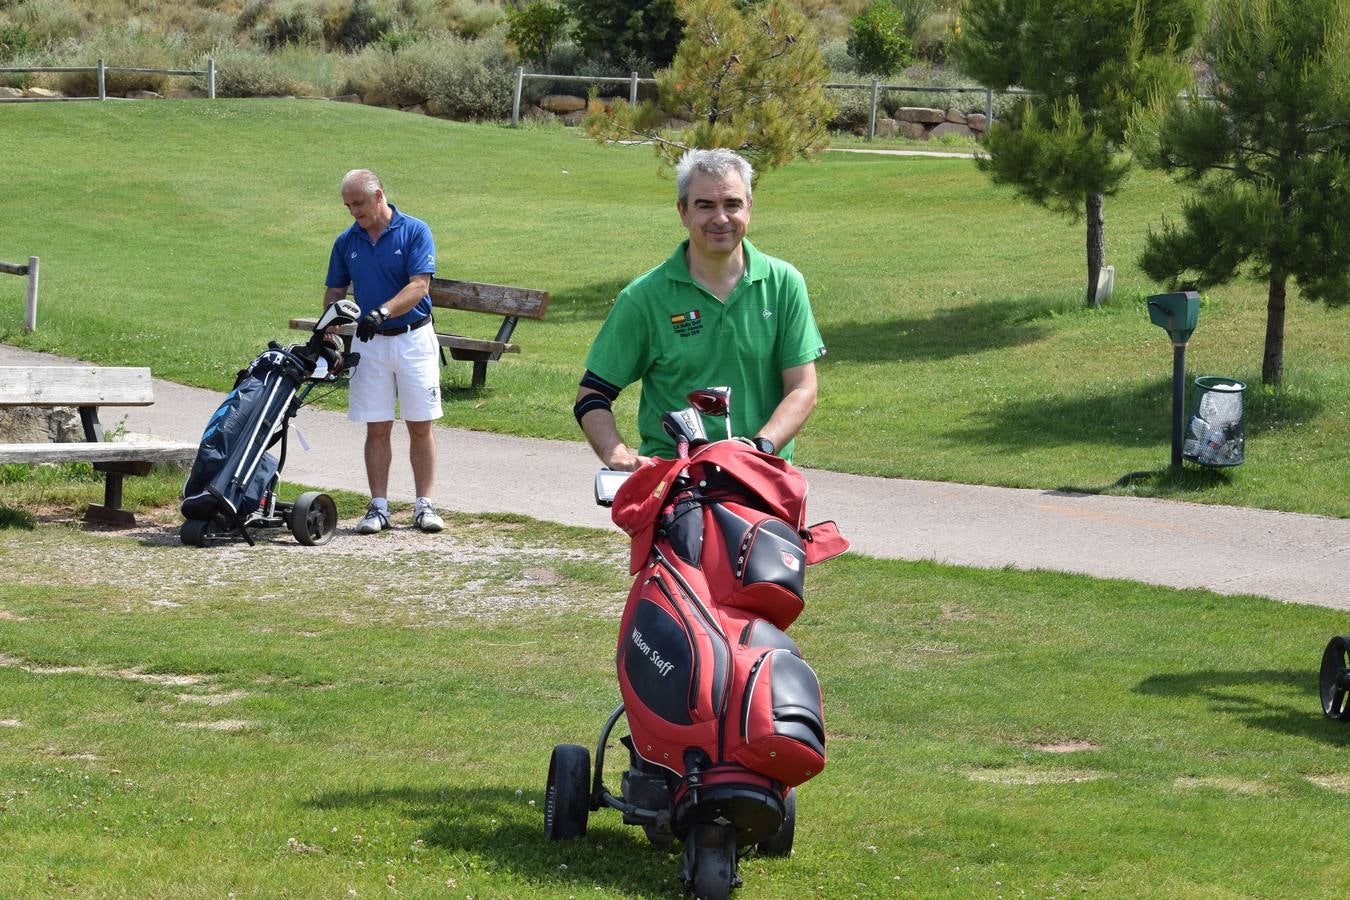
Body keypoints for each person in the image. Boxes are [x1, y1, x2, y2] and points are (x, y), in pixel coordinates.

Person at [574, 148, 825, 469]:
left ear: (749, 207)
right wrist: (616, 455)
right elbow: (593, 395)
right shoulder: (645, 297)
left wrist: (758, 447)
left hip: (765, 477)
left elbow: (803, 388)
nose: (720, 218)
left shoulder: (784, 284)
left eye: (732, 204)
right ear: (683, 212)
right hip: (676, 484)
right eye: (705, 205)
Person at [323, 168, 445, 534]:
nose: (353, 212)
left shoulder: (414, 230)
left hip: (413, 339)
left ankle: (424, 505)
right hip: (370, 344)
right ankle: (379, 507)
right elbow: (335, 290)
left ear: (379, 196)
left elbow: (419, 286)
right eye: (347, 205)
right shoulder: (347, 242)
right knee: (376, 427)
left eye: (358, 203)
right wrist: (327, 327)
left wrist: (382, 311)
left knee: (420, 425)